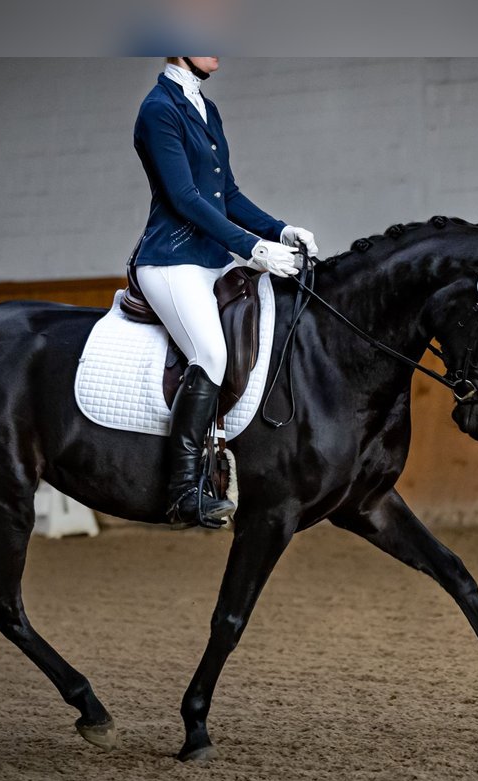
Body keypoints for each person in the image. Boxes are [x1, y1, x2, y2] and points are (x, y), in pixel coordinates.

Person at [132, 56, 319, 528]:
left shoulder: (206, 109)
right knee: (211, 355)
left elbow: (227, 194)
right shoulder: (159, 109)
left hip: (211, 261)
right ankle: (183, 493)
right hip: (171, 261)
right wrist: (254, 249)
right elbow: (185, 198)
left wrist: (281, 231)